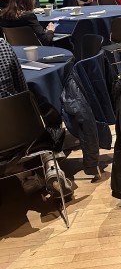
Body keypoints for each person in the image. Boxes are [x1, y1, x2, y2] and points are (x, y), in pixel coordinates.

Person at [0, 38, 73, 198]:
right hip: (20, 133)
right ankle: (50, 164)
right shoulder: (2, 46)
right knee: (48, 110)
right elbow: (22, 90)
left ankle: (22, 174)